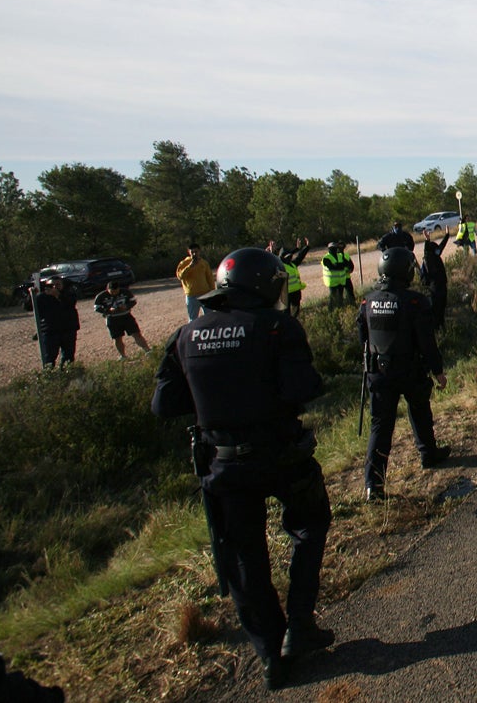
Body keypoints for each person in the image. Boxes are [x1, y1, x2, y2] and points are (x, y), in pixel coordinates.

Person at [151, 247, 333, 690]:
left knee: (244, 560)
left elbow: (164, 404)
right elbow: (303, 388)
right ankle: (300, 622)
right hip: (280, 455)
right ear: (265, 286)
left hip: (222, 464)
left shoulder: (185, 334)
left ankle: (271, 655)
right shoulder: (276, 327)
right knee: (310, 524)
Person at [359, 248, 450, 502]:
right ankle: (427, 454)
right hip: (409, 369)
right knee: (420, 410)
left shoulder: (368, 301)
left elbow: (363, 338)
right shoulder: (413, 301)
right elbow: (426, 341)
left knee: (380, 427)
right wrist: (438, 370)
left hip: (379, 372)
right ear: (405, 271)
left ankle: (372, 486)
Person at [93, 280, 150, 358]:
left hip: (126, 316)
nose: (114, 293)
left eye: (116, 291)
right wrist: (108, 310)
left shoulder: (126, 292)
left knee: (136, 334)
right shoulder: (101, 296)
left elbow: (133, 301)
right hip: (112, 319)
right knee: (117, 338)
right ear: (107, 289)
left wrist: (126, 306)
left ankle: (148, 350)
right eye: (112, 292)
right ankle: (123, 356)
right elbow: (97, 308)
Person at [32, 277, 79, 369]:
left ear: (62, 285)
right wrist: (32, 294)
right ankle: (51, 378)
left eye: (57, 285)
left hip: (68, 330)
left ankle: (68, 375)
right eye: (51, 285)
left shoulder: (69, 293)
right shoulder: (42, 297)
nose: (54, 287)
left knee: (68, 357)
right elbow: (29, 306)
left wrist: (58, 295)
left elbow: (71, 303)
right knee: (49, 358)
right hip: (50, 331)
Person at [176, 243, 216, 322]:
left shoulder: (204, 263)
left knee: (210, 318)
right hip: (192, 296)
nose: (194, 254)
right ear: (188, 252)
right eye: (192, 252)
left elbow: (210, 278)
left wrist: (212, 291)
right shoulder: (184, 263)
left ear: (199, 251)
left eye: (196, 251)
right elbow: (180, 276)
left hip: (206, 294)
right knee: (193, 320)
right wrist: (190, 266)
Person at [419, 232, 449, 330]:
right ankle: (436, 329)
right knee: (436, 310)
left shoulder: (436, 256)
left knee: (441, 309)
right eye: (436, 249)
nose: (438, 250)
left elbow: (441, 246)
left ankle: (441, 327)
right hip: (434, 288)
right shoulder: (429, 258)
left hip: (442, 287)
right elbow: (426, 250)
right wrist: (427, 240)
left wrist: (447, 235)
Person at [278, 238, 311, 318]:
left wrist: (306, 247)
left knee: (295, 314)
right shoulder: (280, 266)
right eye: (288, 257)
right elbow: (274, 259)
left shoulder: (292, 264)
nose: (290, 257)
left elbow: (300, 256)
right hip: (286, 294)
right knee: (286, 314)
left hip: (296, 293)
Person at [320, 243, 355, 308]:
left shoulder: (340, 256)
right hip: (332, 282)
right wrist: (341, 265)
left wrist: (339, 265)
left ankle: (343, 308)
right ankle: (331, 312)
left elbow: (348, 265)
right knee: (333, 298)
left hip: (341, 280)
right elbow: (332, 267)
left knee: (341, 298)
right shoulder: (326, 258)